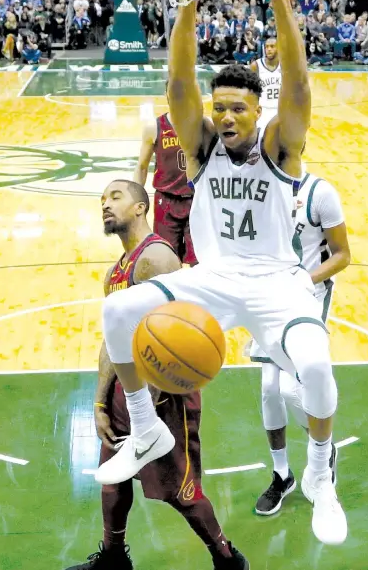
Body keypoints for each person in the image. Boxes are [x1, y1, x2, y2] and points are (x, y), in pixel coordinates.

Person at [97, 0, 348, 546]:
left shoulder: (278, 147)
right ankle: (145, 431)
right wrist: (185, 5)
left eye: (239, 107)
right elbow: (178, 85)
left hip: (278, 283)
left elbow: (300, 89)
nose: (228, 117)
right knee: (116, 314)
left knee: (313, 365)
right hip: (212, 279)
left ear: (258, 110)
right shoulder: (203, 147)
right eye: (221, 108)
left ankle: (317, 473)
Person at [67, 179, 248, 570]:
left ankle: (227, 558)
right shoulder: (116, 272)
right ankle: (114, 558)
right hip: (126, 394)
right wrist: (100, 400)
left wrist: (148, 403)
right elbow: (110, 343)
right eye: (102, 199)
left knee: (180, 490)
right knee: (112, 481)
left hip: (162, 394)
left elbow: (176, 333)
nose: (105, 204)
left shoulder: (158, 258)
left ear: (140, 207)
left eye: (115, 197)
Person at [249, 170, 350, 515]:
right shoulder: (256, 188)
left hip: (308, 298)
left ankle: (321, 450)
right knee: (268, 389)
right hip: (268, 301)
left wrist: (303, 280)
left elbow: (342, 255)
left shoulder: (320, 192)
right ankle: (282, 475)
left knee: (293, 390)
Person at [133, 97, 197, 265]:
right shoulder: (154, 127)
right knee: (165, 260)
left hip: (196, 200)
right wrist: (135, 200)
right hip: (166, 201)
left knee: (199, 260)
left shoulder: (201, 126)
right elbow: (141, 166)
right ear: (168, 95)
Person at [250, 37, 282, 129]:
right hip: (263, 110)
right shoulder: (256, 66)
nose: (269, 49)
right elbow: (250, 90)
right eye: (266, 47)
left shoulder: (285, 65)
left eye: (272, 47)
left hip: (281, 110)